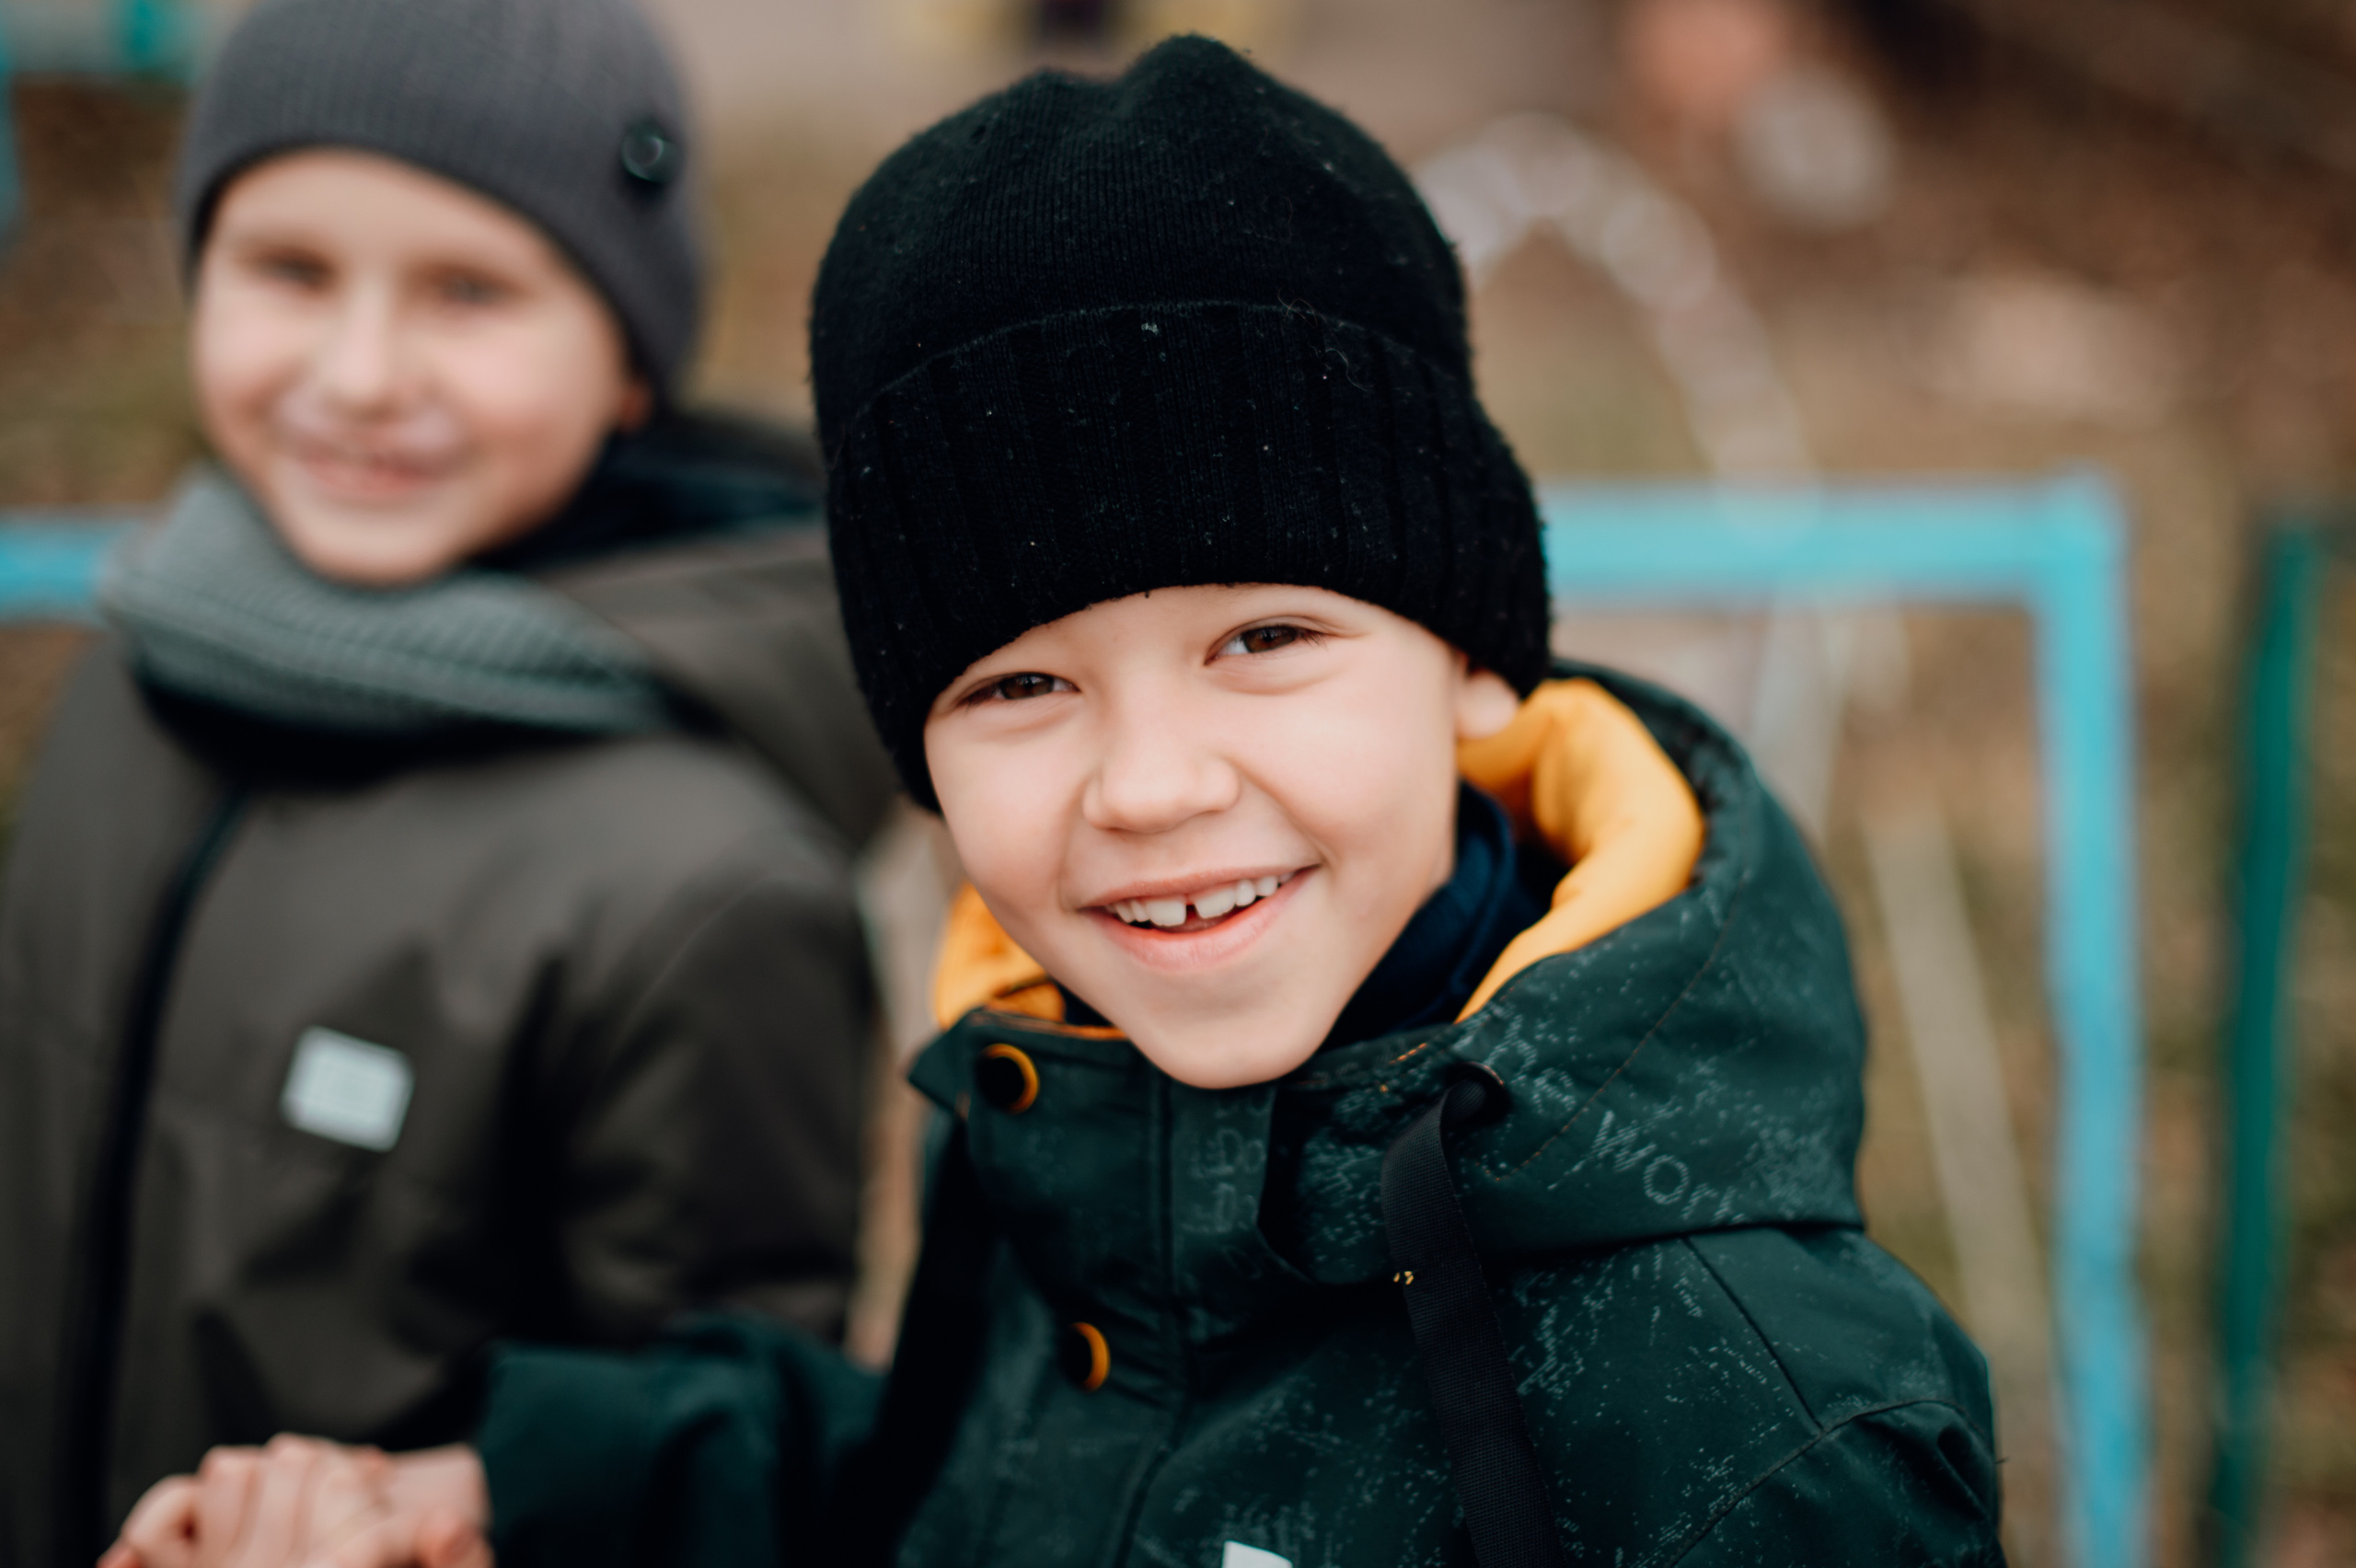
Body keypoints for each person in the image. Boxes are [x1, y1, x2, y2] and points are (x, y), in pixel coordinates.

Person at [107, 36, 2005, 1568]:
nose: (1154, 786)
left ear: (1477, 661)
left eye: (1265, 637)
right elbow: (983, 1491)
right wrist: (506, 1487)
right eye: (1016, 685)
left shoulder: (1750, 1428)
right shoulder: (1057, 1098)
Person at [0, 1, 899, 1563]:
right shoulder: (137, 666)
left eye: (469, 291)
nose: (357, 374)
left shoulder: (704, 884)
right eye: (290, 270)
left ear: (631, 363)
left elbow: (716, 1456)